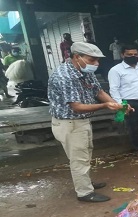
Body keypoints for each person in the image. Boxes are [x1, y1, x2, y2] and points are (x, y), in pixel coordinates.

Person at [48, 42, 124, 202]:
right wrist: (105, 105)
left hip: (80, 122)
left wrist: (117, 106)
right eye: (92, 60)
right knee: (79, 158)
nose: (96, 64)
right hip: (69, 123)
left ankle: (85, 182)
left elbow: (99, 91)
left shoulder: (84, 71)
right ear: (77, 57)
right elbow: (77, 107)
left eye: (97, 60)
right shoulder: (65, 76)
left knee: (85, 153)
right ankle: (84, 192)